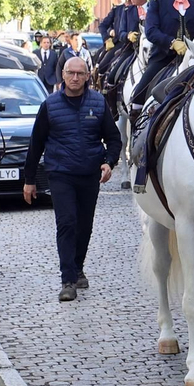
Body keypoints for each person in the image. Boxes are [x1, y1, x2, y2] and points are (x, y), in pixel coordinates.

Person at [22, 57, 122, 301]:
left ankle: (77, 268)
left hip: (89, 174)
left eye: (80, 73)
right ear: (63, 76)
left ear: (88, 76)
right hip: (60, 173)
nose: (75, 78)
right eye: (71, 73)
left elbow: (114, 139)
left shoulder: (98, 103)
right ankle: (67, 280)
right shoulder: (50, 105)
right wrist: (29, 179)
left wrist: (109, 162)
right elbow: (35, 144)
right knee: (67, 223)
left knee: (84, 226)